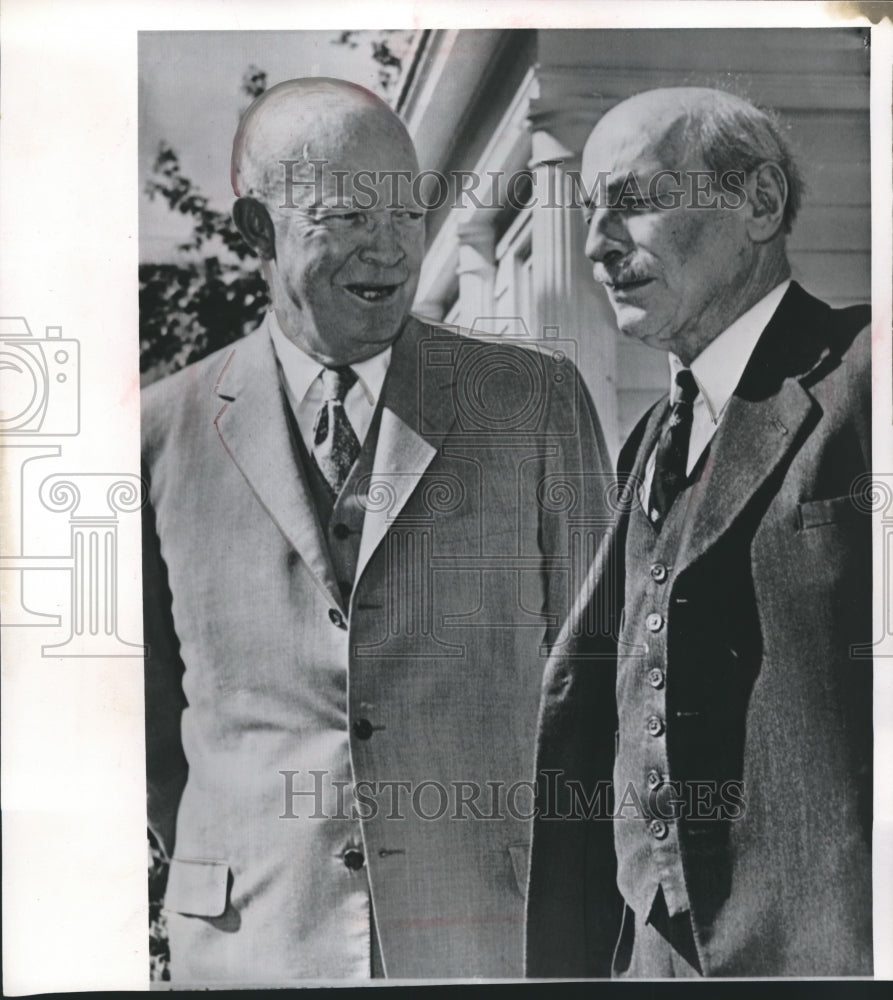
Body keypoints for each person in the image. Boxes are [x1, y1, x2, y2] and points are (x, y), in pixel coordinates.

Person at [142, 77, 610, 984]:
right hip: (250, 946)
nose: (390, 247)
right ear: (256, 231)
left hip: (484, 937)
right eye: (348, 216)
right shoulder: (159, 435)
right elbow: (149, 724)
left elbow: (598, 676)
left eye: (407, 211)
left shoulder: (533, 403)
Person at [525, 87, 872, 978]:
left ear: (757, 202)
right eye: (589, 210)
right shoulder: (650, 439)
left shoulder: (868, 379)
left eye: (634, 200)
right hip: (653, 958)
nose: (596, 246)